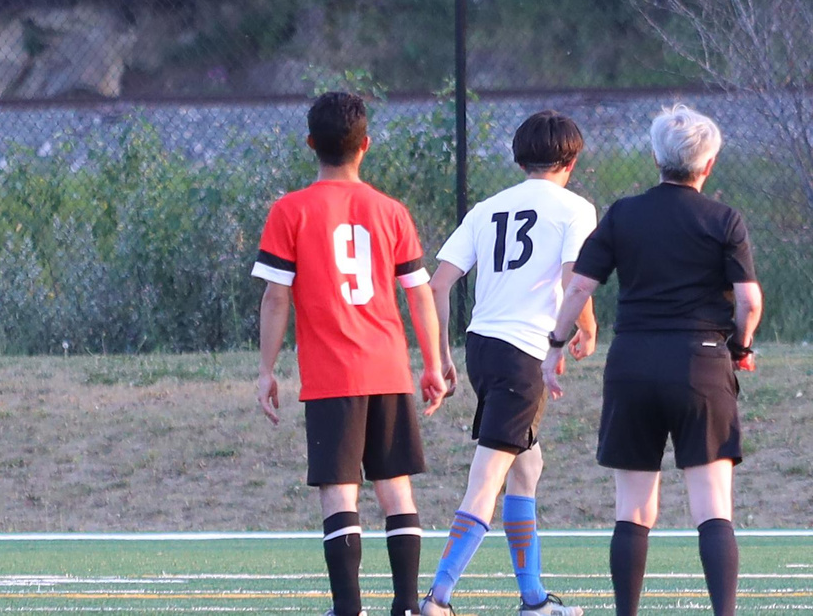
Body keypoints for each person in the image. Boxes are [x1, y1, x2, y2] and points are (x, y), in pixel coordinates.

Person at [546, 103, 762, 616]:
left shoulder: (624, 213)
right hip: (702, 363)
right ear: (707, 165)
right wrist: (741, 347)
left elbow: (579, 286)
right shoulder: (724, 219)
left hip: (633, 363)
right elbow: (749, 301)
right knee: (712, 506)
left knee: (634, 508)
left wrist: (556, 344)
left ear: (656, 158)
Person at [254, 90, 453, 616]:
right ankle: (408, 606)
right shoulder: (391, 211)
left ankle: (348, 608)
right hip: (388, 369)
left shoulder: (289, 210)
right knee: (396, 490)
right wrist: (431, 365)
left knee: (340, 494)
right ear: (365, 145)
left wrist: (266, 370)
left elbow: (276, 296)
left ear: (309, 144)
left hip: (331, 377)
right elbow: (418, 295)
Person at [418, 110, 603, 616]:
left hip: (483, 348)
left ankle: (534, 600)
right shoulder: (574, 208)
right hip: (523, 353)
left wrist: (440, 355)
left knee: (528, 468)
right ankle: (437, 599)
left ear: (520, 158)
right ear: (571, 160)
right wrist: (584, 328)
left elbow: (437, 284)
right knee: (488, 479)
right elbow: (574, 279)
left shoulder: (488, 207)